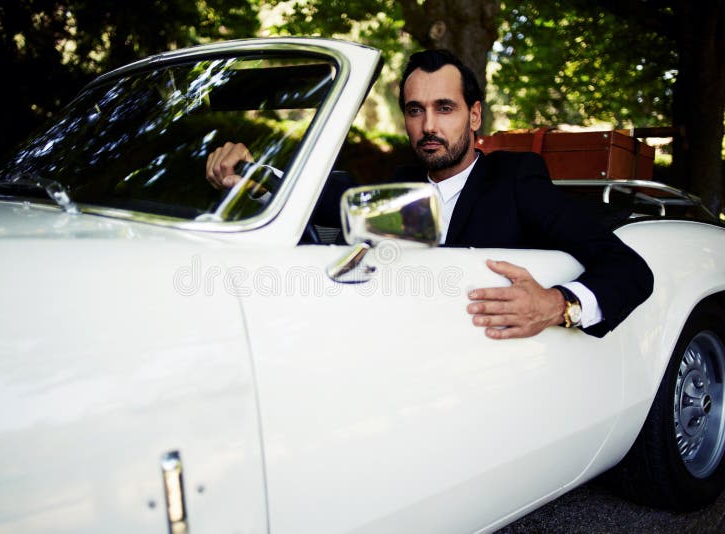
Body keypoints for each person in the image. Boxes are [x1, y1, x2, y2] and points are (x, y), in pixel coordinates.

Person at [206, 49, 654, 340]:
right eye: (415, 110)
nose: (429, 127)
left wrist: (558, 305)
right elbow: (325, 199)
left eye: (445, 108)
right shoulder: (402, 190)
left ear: (474, 116)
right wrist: (253, 175)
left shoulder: (515, 180)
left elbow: (631, 269)